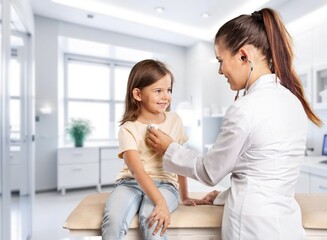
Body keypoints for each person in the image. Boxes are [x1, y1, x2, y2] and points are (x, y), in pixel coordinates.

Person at [146, 8, 323, 240]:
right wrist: (222, 196)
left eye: (220, 61)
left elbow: (210, 170)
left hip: (250, 226)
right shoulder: (293, 101)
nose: (220, 70)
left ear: (243, 55)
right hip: (286, 225)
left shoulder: (245, 109)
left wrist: (169, 148)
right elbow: (263, 173)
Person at [101, 59, 209, 240]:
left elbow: (179, 160)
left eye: (169, 90)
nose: (166, 96)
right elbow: (137, 170)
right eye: (158, 91)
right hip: (130, 183)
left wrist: (185, 196)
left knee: (152, 218)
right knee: (113, 219)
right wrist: (159, 200)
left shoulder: (175, 120)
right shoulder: (128, 128)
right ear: (137, 94)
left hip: (166, 184)